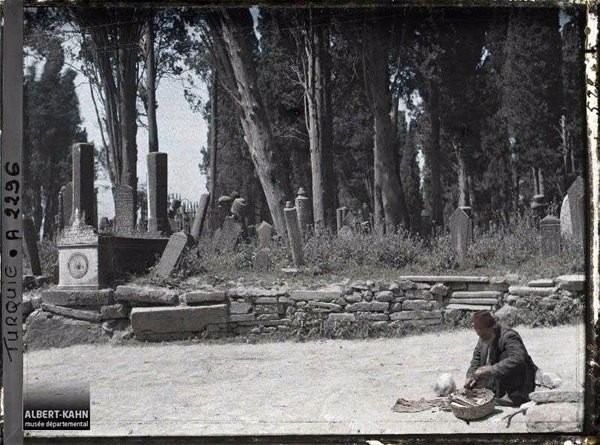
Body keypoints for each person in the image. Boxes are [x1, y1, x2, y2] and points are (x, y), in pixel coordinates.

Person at [465, 310, 537, 406]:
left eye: (483, 334)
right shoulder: (484, 335)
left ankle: (513, 395)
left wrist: (491, 369)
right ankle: (496, 391)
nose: (481, 337)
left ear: (492, 328)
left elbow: (518, 358)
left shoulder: (509, 336)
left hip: (519, 381)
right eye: (479, 334)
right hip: (498, 380)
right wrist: (471, 375)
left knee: (506, 356)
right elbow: (476, 358)